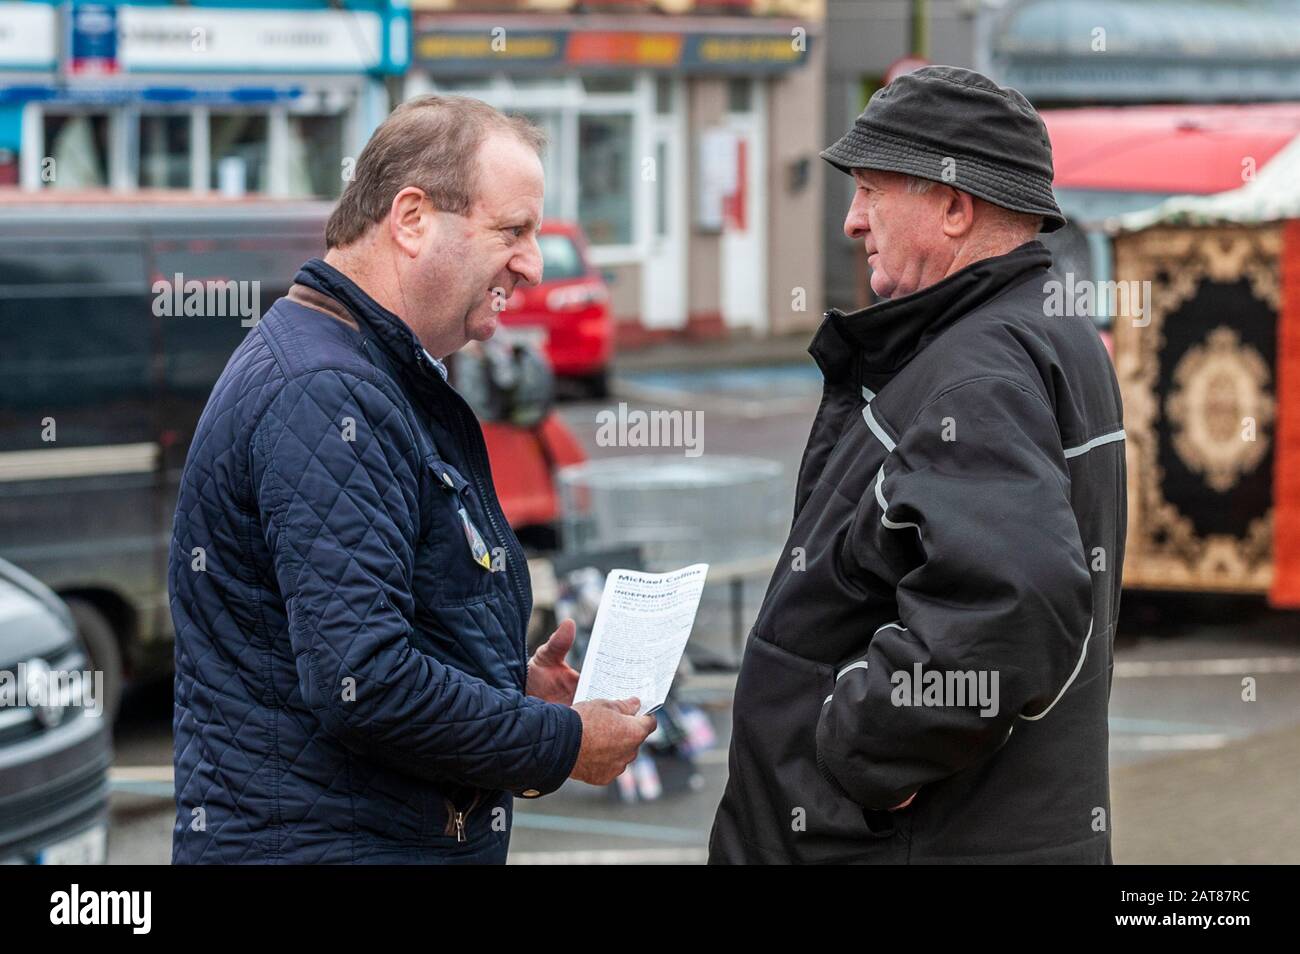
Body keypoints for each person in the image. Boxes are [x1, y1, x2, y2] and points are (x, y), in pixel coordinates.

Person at [169, 95, 654, 864]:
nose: (531, 264)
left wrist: (503, 686)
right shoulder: (325, 392)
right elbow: (365, 681)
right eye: (512, 231)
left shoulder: (364, 370)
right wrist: (560, 741)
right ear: (412, 218)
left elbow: (372, 636)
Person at [709, 66, 1127, 864]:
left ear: (953, 206)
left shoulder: (976, 372)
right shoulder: (1043, 333)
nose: (852, 222)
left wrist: (861, 746)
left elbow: (1016, 602)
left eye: (870, 190)